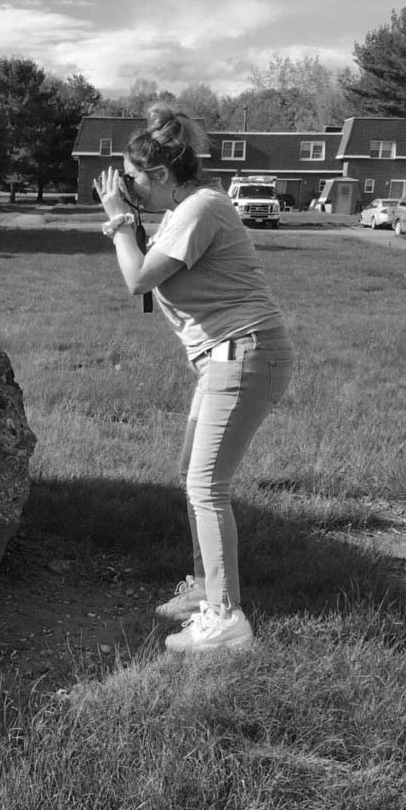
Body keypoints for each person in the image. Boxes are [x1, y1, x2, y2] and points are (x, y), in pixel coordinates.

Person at [93, 105, 292, 653]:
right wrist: (131, 221)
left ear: (160, 175)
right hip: (225, 359)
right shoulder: (185, 208)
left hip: (245, 354)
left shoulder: (202, 207)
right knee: (192, 473)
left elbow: (138, 279)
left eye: (133, 179)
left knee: (207, 486)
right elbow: (153, 264)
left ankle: (225, 620)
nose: (128, 187)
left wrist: (115, 219)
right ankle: (206, 586)